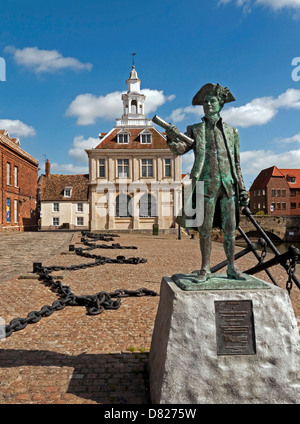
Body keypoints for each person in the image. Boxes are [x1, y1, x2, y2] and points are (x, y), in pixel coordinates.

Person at [166, 83, 249, 281]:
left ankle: (232, 267)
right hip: (205, 183)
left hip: (229, 185)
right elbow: (179, 149)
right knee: (205, 229)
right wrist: (170, 139)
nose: (208, 105)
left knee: (230, 229)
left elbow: (237, 163)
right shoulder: (195, 129)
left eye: (212, 101)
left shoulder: (232, 132)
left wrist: (243, 189)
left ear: (221, 104)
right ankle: (205, 268)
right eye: (205, 102)